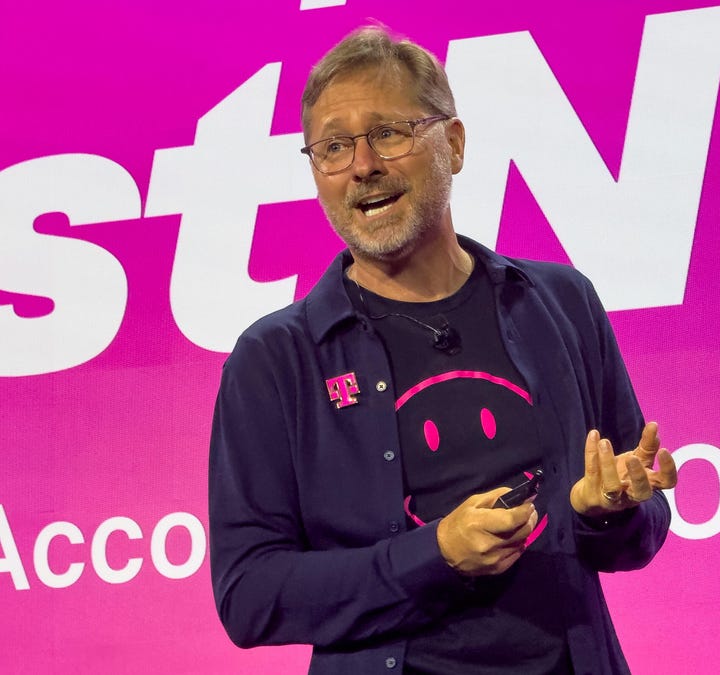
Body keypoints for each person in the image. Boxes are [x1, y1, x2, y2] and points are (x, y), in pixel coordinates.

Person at [207, 25, 677, 675]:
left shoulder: (561, 303)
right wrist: (437, 555)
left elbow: (642, 517)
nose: (362, 165)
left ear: (452, 144)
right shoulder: (276, 358)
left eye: (389, 133)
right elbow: (250, 596)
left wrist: (607, 512)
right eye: (333, 147)